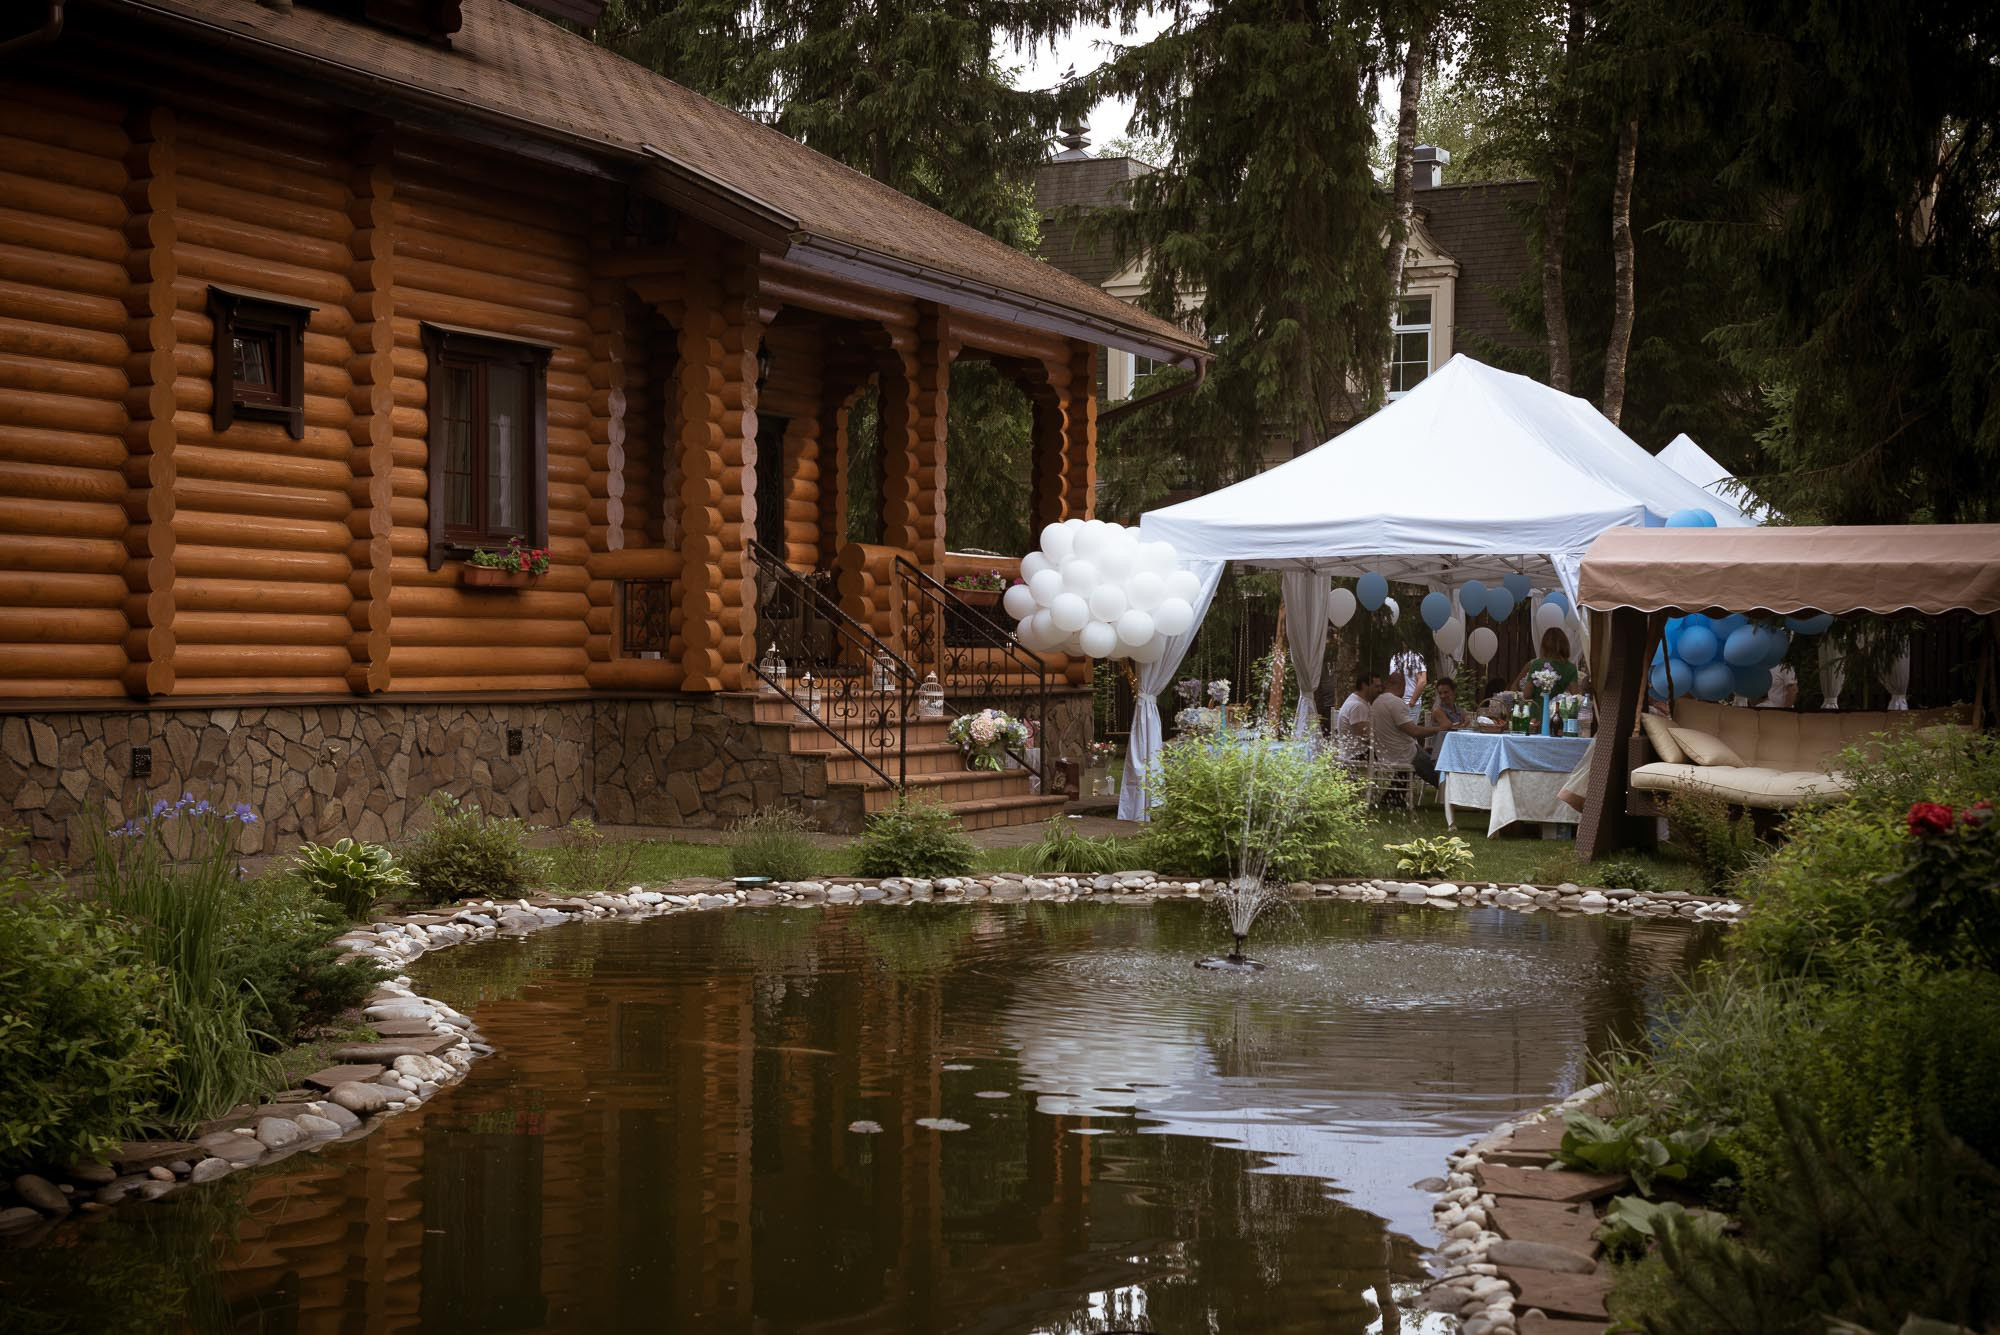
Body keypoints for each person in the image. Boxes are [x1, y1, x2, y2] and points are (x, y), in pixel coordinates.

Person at [1370, 670, 1445, 788]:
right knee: (1436, 770)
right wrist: (1438, 729)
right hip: (1404, 753)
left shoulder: (1377, 702)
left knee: (1424, 754)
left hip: (1385, 752)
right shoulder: (1396, 702)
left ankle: (1392, 796)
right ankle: (1450, 791)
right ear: (1401, 686)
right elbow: (1414, 731)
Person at [1516, 628, 1581, 696]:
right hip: (1557, 706)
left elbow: (1527, 694)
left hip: (1537, 706)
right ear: (1565, 645)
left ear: (1544, 645)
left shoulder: (1537, 664)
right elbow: (1575, 696)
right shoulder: (1571, 668)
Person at [1334, 672, 1379, 760]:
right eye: (1376, 686)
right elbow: (1364, 737)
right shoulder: (1358, 706)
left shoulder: (1359, 701)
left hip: (1356, 753)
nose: (1379, 690)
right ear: (1364, 685)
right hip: (1356, 756)